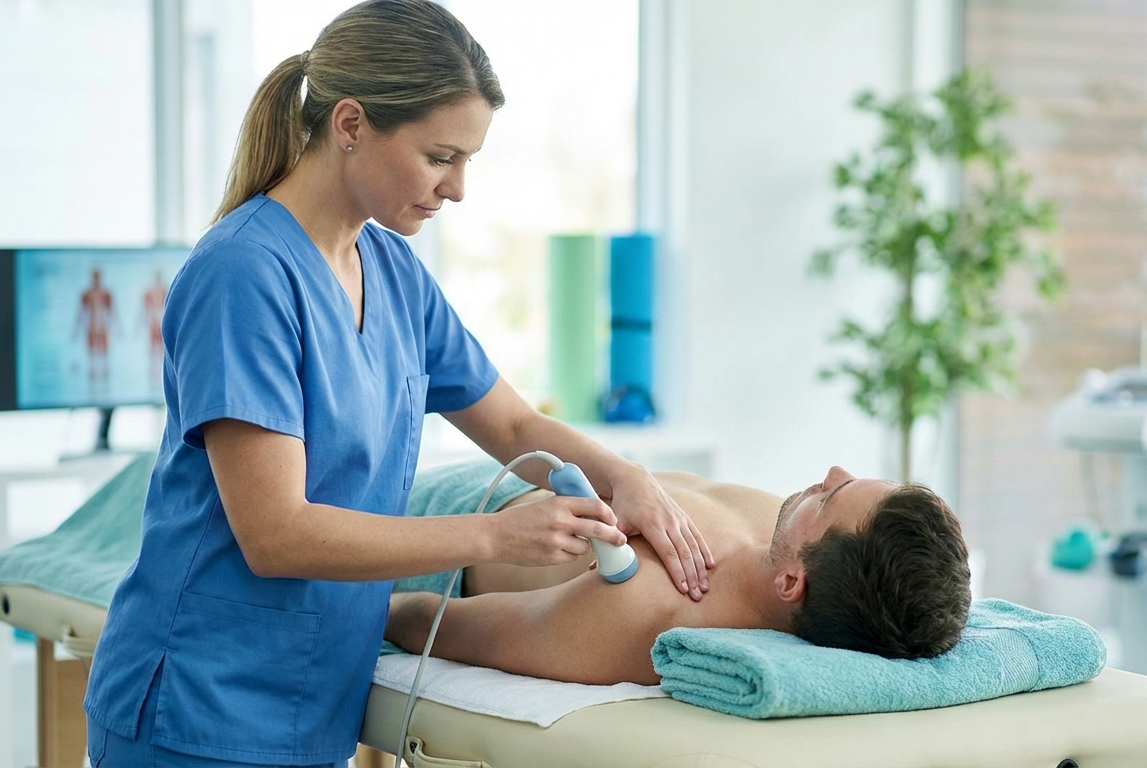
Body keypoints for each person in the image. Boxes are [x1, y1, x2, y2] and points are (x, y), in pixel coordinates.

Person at [82, 3, 712, 766]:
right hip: (197, 706)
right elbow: (275, 533)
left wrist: (625, 477)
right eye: (441, 156)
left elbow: (514, 427)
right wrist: (492, 536)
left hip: (312, 702)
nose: (459, 189)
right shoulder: (243, 275)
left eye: (468, 160)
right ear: (350, 124)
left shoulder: (393, 273)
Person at [385, 464, 973, 686]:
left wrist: (348, 590)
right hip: (505, 475)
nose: (831, 471)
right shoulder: (783, 538)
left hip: (437, 531)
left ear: (792, 585)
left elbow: (424, 622)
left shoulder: (645, 613)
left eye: (830, 498)